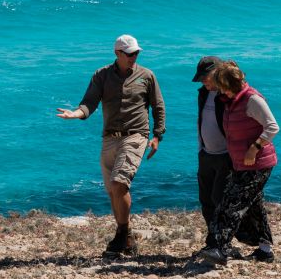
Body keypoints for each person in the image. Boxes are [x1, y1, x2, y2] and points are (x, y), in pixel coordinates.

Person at [57, 34, 166, 257]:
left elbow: (158, 106)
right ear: (117, 53)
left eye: (136, 53)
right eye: (129, 54)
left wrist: (157, 136)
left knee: (119, 184)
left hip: (136, 135)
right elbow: (88, 103)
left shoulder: (147, 76)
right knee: (112, 192)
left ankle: (121, 234)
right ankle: (126, 239)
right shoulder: (102, 75)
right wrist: (75, 114)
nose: (134, 57)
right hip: (109, 138)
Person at [199, 60, 279, 264]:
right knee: (254, 206)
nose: (221, 92)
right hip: (241, 163)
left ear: (230, 85)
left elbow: (272, 126)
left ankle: (220, 248)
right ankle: (265, 249)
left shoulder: (252, 99)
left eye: (222, 87)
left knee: (230, 204)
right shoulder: (232, 100)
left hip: (257, 164)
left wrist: (254, 148)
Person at [192, 56, 230, 252]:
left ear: (218, 72)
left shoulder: (228, 94)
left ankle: (222, 242)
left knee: (219, 199)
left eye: (206, 77)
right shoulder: (203, 94)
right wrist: (200, 147)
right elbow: (202, 120)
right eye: (201, 78)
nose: (203, 81)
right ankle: (212, 239)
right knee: (206, 199)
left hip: (225, 155)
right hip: (206, 153)